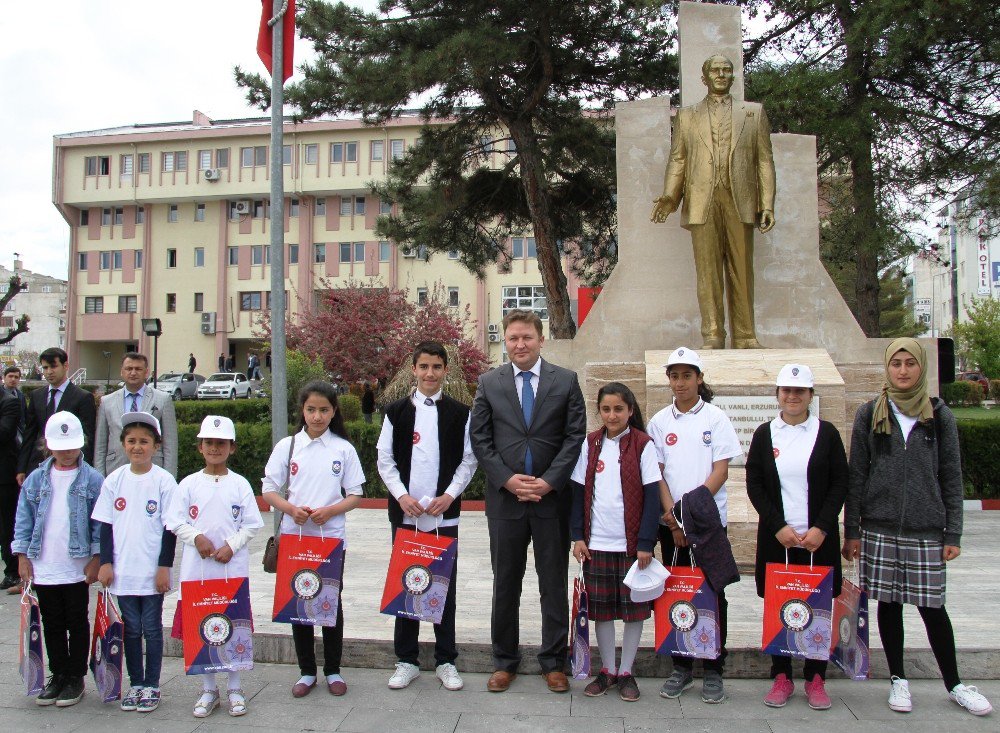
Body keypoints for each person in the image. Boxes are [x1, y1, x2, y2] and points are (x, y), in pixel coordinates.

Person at [843, 338, 993, 717]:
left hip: (926, 528)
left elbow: (951, 477)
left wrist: (953, 533)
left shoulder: (938, 415)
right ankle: (898, 679)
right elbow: (857, 475)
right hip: (880, 526)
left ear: (921, 368)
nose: (903, 371)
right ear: (887, 368)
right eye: (897, 363)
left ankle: (955, 683)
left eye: (910, 363)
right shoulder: (870, 413)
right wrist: (853, 531)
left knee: (932, 607)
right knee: (889, 605)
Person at [470, 309, 586, 693]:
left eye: (527, 337)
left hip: (551, 502)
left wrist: (550, 483)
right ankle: (505, 661)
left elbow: (575, 437)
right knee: (506, 583)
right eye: (513, 338)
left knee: (552, 584)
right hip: (506, 503)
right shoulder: (489, 382)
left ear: (541, 340)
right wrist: (506, 479)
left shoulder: (565, 381)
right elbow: (481, 439)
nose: (520, 344)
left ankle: (554, 662)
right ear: (505, 340)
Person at [650, 55, 776, 350]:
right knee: (707, 273)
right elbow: (678, 158)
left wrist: (766, 203)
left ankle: (745, 335)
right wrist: (670, 195)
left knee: (742, 271)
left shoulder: (753, 113)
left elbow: (764, 161)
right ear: (704, 77)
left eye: (726, 70)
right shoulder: (687, 116)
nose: (721, 74)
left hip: (740, 199)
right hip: (701, 200)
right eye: (715, 70)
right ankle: (713, 335)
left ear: (733, 76)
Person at [745, 364, 848, 710]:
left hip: (818, 537)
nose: (792, 397)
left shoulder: (827, 433)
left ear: (810, 396)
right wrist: (778, 527)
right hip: (779, 538)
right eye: (786, 391)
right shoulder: (764, 434)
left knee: (817, 605)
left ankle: (816, 677)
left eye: (800, 391)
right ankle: (782, 675)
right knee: (781, 605)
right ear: (777, 395)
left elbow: (839, 484)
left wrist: (821, 526)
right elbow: (755, 484)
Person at [377, 341, 477, 692]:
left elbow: (469, 460)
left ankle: (446, 660)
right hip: (406, 516)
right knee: (406, 587)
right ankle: (406, 659)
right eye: (424, 367)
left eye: (436, 367)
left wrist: (448, 496)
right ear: (414, 369)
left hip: (443, 517)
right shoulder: (396, 412)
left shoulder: (461, 413)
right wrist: (402, 496)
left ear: (445, 370)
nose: (430, 373)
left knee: (442, 588)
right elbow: (384, 460)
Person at [645, 347, 741, 703]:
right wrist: (673, 519)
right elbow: (657, 474)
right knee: (676, 591)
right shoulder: (659, 422)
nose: (680, 382)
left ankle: (714, 667)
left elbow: (720, 470)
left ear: (699, 378)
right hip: (671, 524)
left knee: (713, 591)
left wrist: (689, 513)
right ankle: (681, 666)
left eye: (687, 375)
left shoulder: (715, 418)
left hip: (709, 522)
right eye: (674, 375)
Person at [261, 381, 365, 697]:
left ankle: (333, 669)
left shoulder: (343, 449)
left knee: (330, 603)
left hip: (330, 539)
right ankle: (306, 672)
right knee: (300, 604)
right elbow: (268, 489)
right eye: (311, 409)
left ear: (334, 412)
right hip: (295, 539)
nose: (317, 416)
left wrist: (330, 511)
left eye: (323, 410)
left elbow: (356, 494)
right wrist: (291, 509)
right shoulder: (288, 446)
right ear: (302, 411)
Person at [166, 415, 264, 718]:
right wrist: (196, 537)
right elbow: (174, 520)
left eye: (221, 443)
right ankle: (209, 689)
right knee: (201, 626)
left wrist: (231, 545)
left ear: (231, 448)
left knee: (231, 627)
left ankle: (235, 686)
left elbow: (252, 524)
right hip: (198, 571)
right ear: (200, 447)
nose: (214, 448)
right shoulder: (188, 484)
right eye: (209, 442)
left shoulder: (240, 484)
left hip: (231, 571)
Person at [569, 383, 662, 702]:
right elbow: (578, 491)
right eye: (606, 409)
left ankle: (627, 671)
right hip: (596, 545)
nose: (612, 415)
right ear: (600, 412)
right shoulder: (591, 443)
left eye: (618, 409)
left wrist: (647, 542)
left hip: (632, 547)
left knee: (634, 612)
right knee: (603, 612)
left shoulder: (642, 444)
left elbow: (652, 496)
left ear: (630, 411)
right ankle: (607, 669)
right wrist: (577, 536)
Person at [11, 412, 103, 707]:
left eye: (72, 446)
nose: (66, 452)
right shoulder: (36, 479)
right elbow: (23, 519)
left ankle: (75, 677)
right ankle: (58, 673)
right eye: (60, 446)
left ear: (82, 444)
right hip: (45, 564)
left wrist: (97, 558)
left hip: (76, 565)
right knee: (51, 621)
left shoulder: (92, 479)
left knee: (76, 620)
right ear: (47, 445)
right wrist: (22, 556)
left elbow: (101, 523)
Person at [92, 411, 177, 714]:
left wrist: (164, 566)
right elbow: (106, 525)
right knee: (129, 630)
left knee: (152, 629)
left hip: (152, 573)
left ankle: (152, 685)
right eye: (131, 441)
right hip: (123, 573)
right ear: (123, 444)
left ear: (156, 445)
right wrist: (105, 563)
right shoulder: (114, 480)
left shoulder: (164, 481)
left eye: (144, 441)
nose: (137, 447)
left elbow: (170, 529)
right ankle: (136, 683)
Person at [18, 348, 97, 484]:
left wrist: (84, 467)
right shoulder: (37, 396)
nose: (49, 372)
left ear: (65, 366)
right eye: (45, 367)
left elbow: (87, 436)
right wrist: (22, 467)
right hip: (38, 464)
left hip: (69, 464)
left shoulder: (82, 397)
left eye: (53, 366)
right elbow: (29, 434)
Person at [94, 352, 178, 478]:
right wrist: (99, 478)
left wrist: (169, 478)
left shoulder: (163, 399)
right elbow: (100, 444)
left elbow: (170, 443)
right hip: (115, 469)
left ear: (146, 372)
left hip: (153, 469)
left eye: (138, 369)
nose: (133, 373)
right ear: (122, 372)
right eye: (129, 368)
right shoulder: (107, 401)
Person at [0, 386, 23, 591]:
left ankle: (13, 571)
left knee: (7, 526)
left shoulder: (9, 401)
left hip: (4, 475)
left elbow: (4, 432)